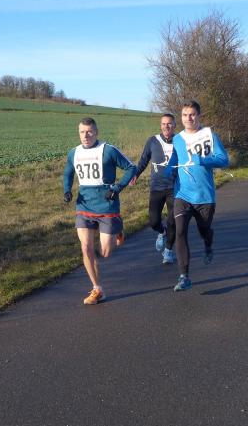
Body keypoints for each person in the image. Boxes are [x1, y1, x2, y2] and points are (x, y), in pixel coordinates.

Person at [63, 117, 136, 305]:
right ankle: (97, 289)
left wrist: (117, 188)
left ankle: (117, 228)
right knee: (86, 247)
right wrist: (67, 190)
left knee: (105, 251)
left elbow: (131, 168)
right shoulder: (74, 153)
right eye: (82, 132)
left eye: (89, 132)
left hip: (107, 204)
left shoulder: (108, 150)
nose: (85, 135)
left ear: (96, 132)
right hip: (84, 205)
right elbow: (68, 172)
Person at [165, 100, 229, 291]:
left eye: (192, 114)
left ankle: (208, 244)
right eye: (185, 115)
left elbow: (224, 159)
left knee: (204, 230)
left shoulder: (210, 135)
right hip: (182, 194)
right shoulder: (177, 139)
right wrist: (168, 169)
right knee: (180, 231)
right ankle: (184, 276)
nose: (188, 118)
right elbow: (176, 157)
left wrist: (202, 159)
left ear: (199, 116)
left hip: (204, 195)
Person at [130, 113, 178, 264]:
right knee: (153, 221)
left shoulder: (180, 141)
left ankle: (168, 251)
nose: (166, 126)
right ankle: (162, 232)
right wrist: (136, 174)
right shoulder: (152, 141)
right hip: (157, 187)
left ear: (174, 125)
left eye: (169, 123)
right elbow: (143, 160)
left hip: (175, 187)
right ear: (160, 125)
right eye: (163, 124)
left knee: (173, 221)